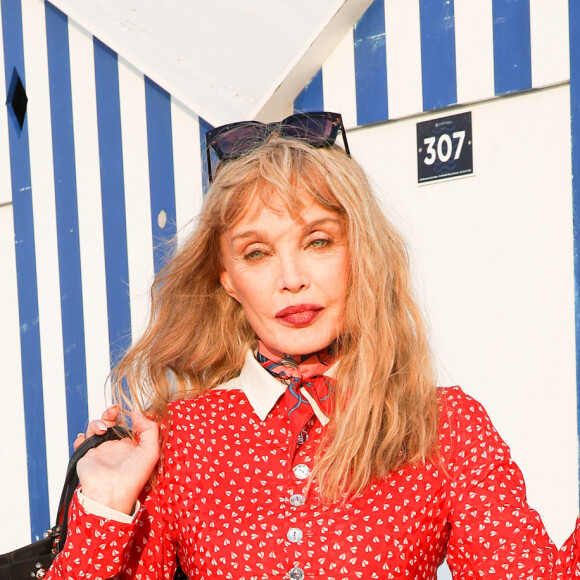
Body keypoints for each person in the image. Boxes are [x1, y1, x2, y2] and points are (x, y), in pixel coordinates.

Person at [46, 112, 580, 579]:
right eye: (257, 253)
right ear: (227, 277)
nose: (292, 278)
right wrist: (104, 509)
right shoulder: (179, 437)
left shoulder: (443, 424)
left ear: (359, 253)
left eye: (318, 241)